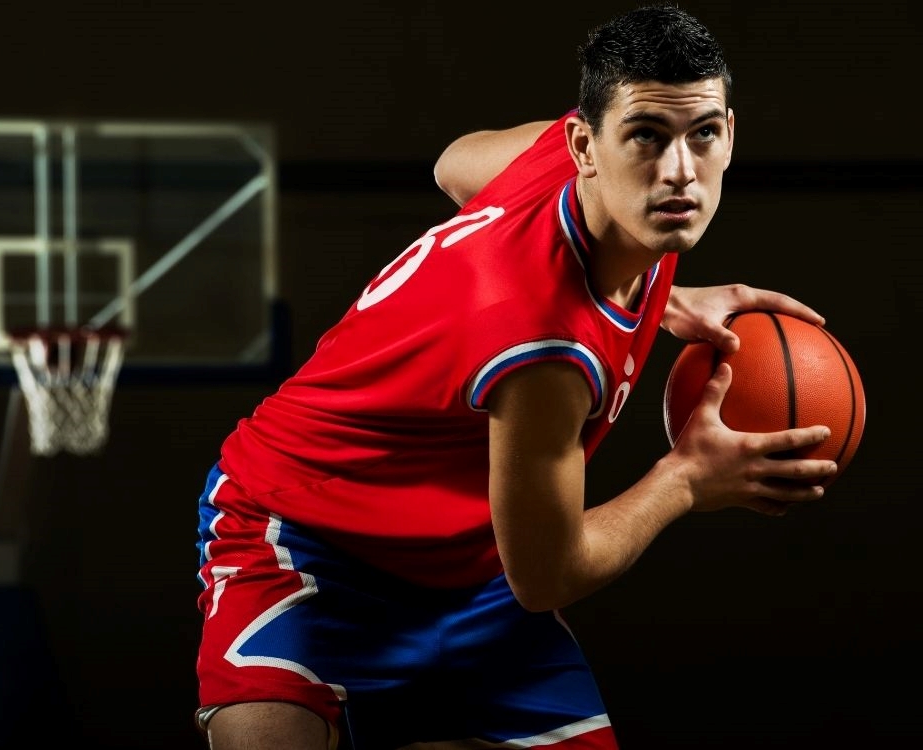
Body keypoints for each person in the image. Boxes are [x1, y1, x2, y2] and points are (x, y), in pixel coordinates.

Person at [193, 4, 838, 748]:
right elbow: (547, 576)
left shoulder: (577, 169)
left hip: (461, 570)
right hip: (305, 540)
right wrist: (685, 480)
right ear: (585, 145)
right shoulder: (541, 346)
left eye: (705, 135)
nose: (679, 172)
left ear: (728, 130)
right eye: (647, 139)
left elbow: (453, 162)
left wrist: (668, 297)